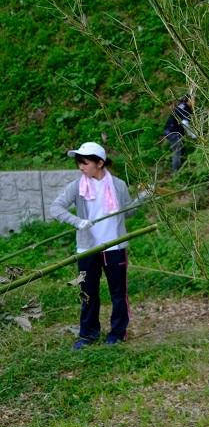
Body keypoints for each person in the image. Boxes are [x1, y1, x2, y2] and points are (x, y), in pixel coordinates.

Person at [50, 142, 144, 350]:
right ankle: (88, 335)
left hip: (114, 247)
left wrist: (143, 198)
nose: (81, 168)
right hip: (87, 249)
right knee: (88, 292)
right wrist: (78, 221)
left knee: (119, 293)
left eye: (85, 163)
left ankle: (118, 333)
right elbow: (55, 208)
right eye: (79, 163)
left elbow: (127, 212)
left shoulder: (118, 185)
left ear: (100, 163)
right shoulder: (77, 187)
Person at [162, 94, 195, 172]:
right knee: (177, 150)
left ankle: (182, 168)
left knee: (181, 149)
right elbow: (185, 123)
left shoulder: (182, 106)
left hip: (171, 130)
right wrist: (192, 135)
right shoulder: (184, 109)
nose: (194, 102)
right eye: (193, 100)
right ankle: (175, 172)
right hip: (173, 132)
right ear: (188, 100)